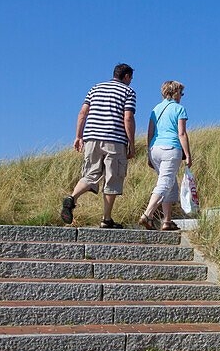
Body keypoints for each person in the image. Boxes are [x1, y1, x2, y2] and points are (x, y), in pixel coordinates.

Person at [61, 63, 137, 228]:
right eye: (130, 78)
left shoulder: (95, 88)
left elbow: (83, 112)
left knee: (90, 175)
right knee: (112, 179)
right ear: (126, 76)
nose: (131, 81)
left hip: (91, 138)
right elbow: (128, 118)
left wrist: (78, 136)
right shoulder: (128, 92)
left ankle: (72, 198)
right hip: (114, 140)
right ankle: (106, 219)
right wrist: (131, 143)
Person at [139, 80, 192, 231]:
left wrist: (149, 153)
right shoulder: (179, 109)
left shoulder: (155, 109)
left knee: (171, 184)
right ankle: (147, 215)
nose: (181, 96)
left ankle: (167, 221)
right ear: (175, 93)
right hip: (171, 148)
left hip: (155, 149)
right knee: (165, 183)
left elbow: (150, 132)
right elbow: (181, 133)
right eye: (181, 93)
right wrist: (187, 154)